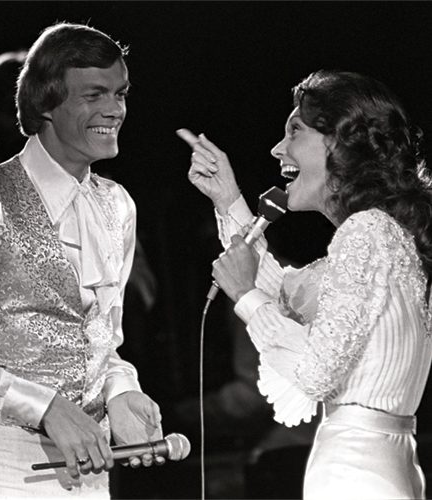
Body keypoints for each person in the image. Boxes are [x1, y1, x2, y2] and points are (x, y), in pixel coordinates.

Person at [0, 22, 165, 499]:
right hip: (4, 466)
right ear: (44, 104)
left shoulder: (118, 205)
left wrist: (120, 391)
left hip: (91, 468)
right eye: (94, 95)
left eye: (120, 94)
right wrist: (43, 406)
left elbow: (102, 344)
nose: (114, 110)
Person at [177, 69, 432, 499]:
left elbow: (314, 372)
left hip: (353, 471)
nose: (278, 149)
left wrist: (244, 297)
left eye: (294, 131)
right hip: (386, 465)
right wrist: (228, 200)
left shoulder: (366, 232)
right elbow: (288, 296)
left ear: (338, 142)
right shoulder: (386, 235)